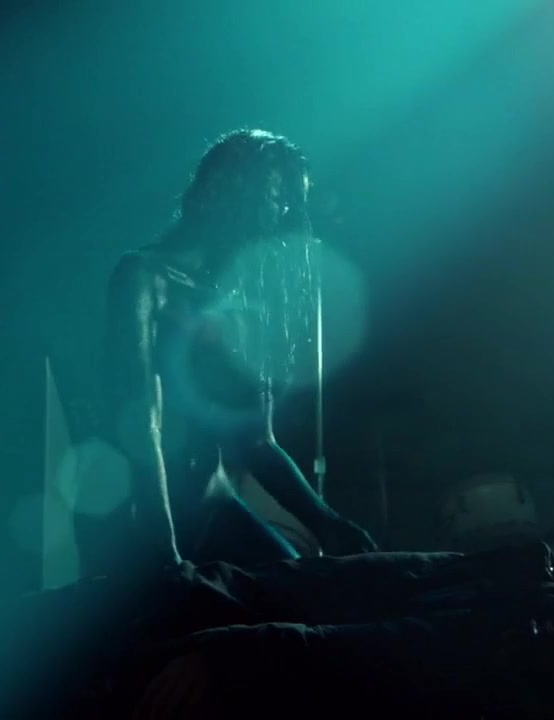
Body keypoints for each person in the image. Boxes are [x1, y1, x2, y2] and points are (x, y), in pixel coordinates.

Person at [102, 128, 376, 572]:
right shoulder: (143, 277)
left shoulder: (241, 305)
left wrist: (328, 524)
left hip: (216, 508)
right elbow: (139, 420)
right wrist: (162, 551)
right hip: (146, 517)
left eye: (288, 204)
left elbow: (257, 442)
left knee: (303, 597)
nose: (279, 215)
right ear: (229, 192)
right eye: (275, 197)